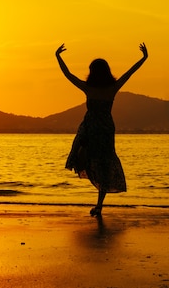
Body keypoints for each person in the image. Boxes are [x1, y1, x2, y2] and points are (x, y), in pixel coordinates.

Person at [55, 42, 148, 217]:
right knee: (104, 164)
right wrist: (143, 58)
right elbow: (130, 72)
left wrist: (58, 57)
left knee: (86, 157)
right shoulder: (111, 89)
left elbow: (68, 74)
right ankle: (99, 205)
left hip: (91, 129)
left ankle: (97, 202)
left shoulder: (88, 88)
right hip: (104, 129)